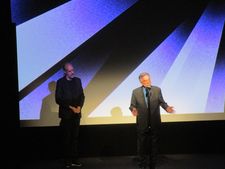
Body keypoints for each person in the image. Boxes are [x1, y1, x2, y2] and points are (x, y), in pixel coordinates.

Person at [129, 72, 174, 169]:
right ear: (141, 81)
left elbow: (162, 102)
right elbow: (132, 105)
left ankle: (153, 164)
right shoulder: (135, 92)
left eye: (148, 80)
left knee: (154, 145)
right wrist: (133, 110)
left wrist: (167, 108)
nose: (147, 82)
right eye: (145, 80)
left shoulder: (157, 90)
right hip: (142, 123)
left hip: (154, 122)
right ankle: (142, 164)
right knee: (141, 145)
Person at [55, 62, 85, 168]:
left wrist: (79, 107)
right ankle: (67, 160)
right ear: (65, 72)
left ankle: (75, 159)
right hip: (66, 115)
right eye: (70, 71)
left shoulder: (78, 81)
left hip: (77, 114)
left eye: (73, 70)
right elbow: (58, 99)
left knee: (75, 138)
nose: (72, 72)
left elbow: (82, 96)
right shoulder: (60, 82)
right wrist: (71, 107)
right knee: (67, 138)